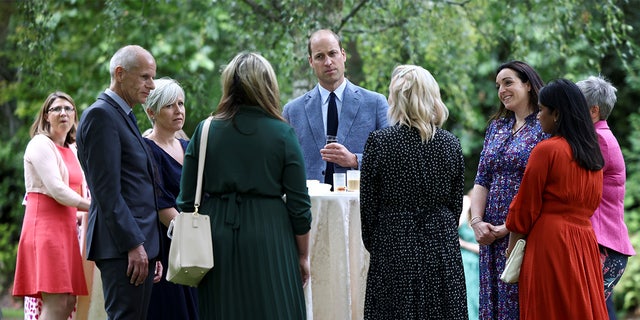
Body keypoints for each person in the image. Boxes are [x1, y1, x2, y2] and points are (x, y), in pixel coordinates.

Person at [176, 52, 312, 319]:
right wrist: (303, 256)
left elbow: (185, 200)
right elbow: (299, 206)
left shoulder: (205, 130)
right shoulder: (283, 133)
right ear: (268, 85)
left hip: (215, 241)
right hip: (270, 237)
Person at [360, 65, 467, 319]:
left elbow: (368, 208)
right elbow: (455, 206)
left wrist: (380, 244)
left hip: (394, 241)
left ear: (397, 99)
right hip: (441, 244)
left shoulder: (380, 142)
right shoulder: (451, 144)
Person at [505, 78, 608, 318]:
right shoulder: (592, 155)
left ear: (557, 114)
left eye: (542, 110)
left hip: (550, 242)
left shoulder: (547, 150)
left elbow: (525, 208)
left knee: (548, 308)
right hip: (583, 241)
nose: (538, 116)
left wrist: (512, 248)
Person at [76, 45, 163, 319]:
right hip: (122, 248)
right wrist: (135, 245)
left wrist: (152, 248)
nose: (152, 85)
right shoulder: (101, 115)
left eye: (153, 77)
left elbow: (137, 185)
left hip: (139, 245)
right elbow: (107, 193)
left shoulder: (123, 114)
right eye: (145, 77)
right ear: (120, 73)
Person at [469, 60, 547, 319]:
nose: (501, 90)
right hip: (489, 235)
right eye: (498, 85)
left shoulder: (544, 127)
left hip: (524, 233)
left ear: (527, 84)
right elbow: (482, 179)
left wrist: (510, 227)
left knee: (520, 303)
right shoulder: (496, 128)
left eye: (508, 82)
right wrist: (477, 222)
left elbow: (545, 187)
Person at [13, 91, 91, 319]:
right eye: (57, 109)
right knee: (56, 302)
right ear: (46, 116)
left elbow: (79, 190)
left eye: (68, 108)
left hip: (66, 230)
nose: (63, 113)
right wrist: (94, 207)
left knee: (68, 302)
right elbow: (57, 190)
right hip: (45, 229)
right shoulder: (40, 144)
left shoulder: (73, 149)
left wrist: (83, 213)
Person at [283, 29, 389, 187]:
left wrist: (355, 160)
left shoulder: (375, 103)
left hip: (359, 205)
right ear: (311, 61)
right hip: (311, 206)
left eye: (332, 53)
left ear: (343, 55)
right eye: (320, 56)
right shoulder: (292, 111)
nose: (328, 62)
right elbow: (283, 163)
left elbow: (392, 157)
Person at [577, 75, 635, 320]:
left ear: (593, 111)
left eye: (575, 106)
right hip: (604, 244)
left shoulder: (599, 140)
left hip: (604, 246)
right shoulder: (600, 137)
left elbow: (577, 188)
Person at [142, 77, 199, 319]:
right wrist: (196, 236)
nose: (179, 111)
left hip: (197, 245)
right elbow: (159, 202)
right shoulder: (145, 149)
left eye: (181, 103)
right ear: (151, 112)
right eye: (170, 105)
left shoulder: (190, 146)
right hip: (167, 248)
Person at [458, 195, 480, 320]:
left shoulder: (483, 221)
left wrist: (464, 244)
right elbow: (456, 226)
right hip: (465, 264)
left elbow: (481, 249)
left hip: (476, 265)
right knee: (468, 297)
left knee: (475, 298)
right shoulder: (465, 219)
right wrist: (465, 206)